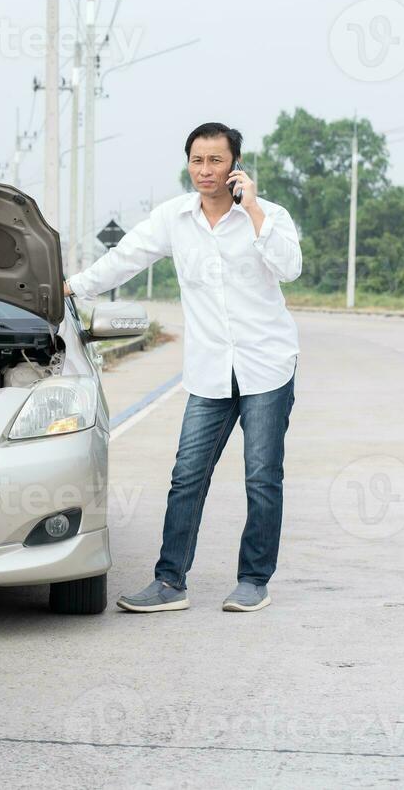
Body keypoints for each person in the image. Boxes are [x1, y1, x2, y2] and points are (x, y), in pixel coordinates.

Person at [64, 122, 301, 614]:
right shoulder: (174, 218)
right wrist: (69, 287)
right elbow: (126, 258)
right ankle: (170, 582)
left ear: (236, 164)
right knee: (187, 475)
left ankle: (254, 580)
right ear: (187, 163)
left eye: (216, 160)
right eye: (197, 160)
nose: (205, 170)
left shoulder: (269, 216)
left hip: (266, 366)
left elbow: (289, 267)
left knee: (261, 477)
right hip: (210, 370)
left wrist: (253, 207)